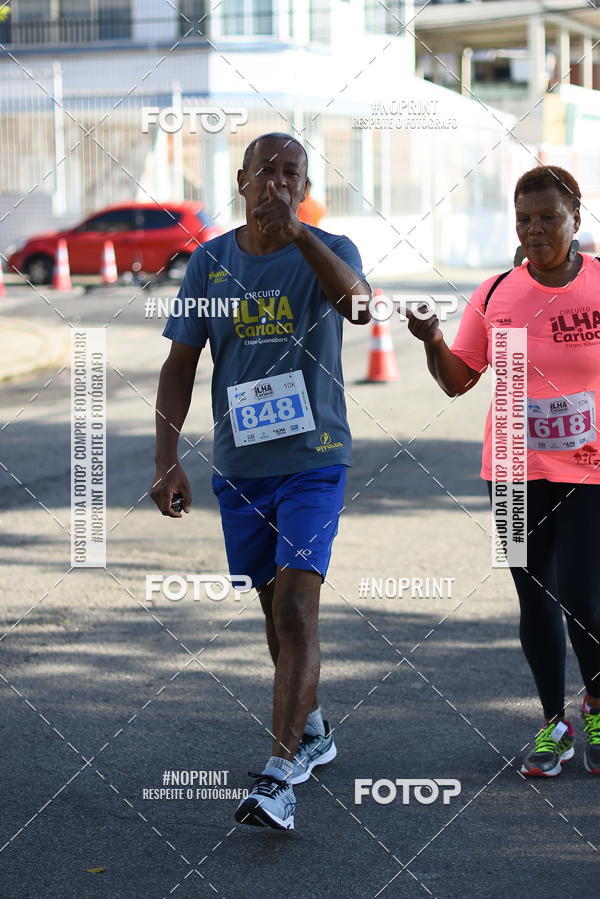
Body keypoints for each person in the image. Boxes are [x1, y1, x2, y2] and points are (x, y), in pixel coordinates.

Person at [150, 132, 371, 828]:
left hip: (315, 459)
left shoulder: (331, 248)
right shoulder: (210, 263)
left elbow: (361, 308)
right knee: (276, 612)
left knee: (298, 610)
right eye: (265, 170)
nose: (276, 181)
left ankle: (280, 775)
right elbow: (180, 365)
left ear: (305, 188)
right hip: (243, 468)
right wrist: (166, 458)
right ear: (241, 181)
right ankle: (312, 729)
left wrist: (300, 236)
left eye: (291, 173)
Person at [405, 165, 600, 778]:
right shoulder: (496, 295)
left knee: (584, 597)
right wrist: (433, 340)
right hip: (514, 468)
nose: (535, 229)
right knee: (533, 596)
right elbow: (458, 381)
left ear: (575, 218)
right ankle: (553, 725)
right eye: (524, 219)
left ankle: (597, 705)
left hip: (590, 468)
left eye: (548, 217)